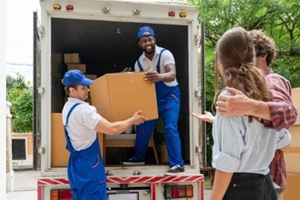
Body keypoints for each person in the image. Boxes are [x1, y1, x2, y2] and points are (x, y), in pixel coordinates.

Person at [196, 27, 291, 200]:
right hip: (264, 186)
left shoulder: (230, 99)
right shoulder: (264, 94)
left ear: (220, 63)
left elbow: (228, 161)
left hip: (238, 189)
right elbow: (284, 138)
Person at [61, 69, 146, 200]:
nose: (88, 90)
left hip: (76, 166)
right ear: (72, 91)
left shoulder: (67, 107)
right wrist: (132, 120)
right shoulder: (84, 110)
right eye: (83, 88)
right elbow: (112, 129)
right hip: (89, 166)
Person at [123, 25, 185, 175]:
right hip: (152, 99)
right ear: (140, 44)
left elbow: (172, 74)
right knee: (143, 126)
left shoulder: (165, 54)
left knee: (170, 127)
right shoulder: (139, 63)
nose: (148, 42)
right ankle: (138, 158)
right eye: (144, 40)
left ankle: (177, 164)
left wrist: (159, 77)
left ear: (154, 39)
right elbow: (140, 86)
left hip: (171, 97)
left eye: (150, 39)